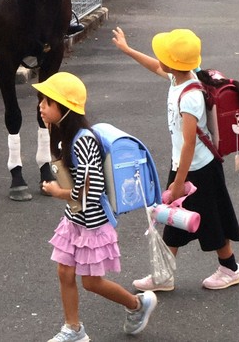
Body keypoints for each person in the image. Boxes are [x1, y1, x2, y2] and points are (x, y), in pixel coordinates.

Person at [111, 27, 239, 292]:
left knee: (208, 218)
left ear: (172, 64)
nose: (157, 59)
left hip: (198, 169)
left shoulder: (190, 96)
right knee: (178, 218)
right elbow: (154, 67)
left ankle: (228, 268)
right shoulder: (179, 79)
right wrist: (128, 50)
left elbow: (189, 143)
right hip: (189, 167)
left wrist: (179, 183)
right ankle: (167, 274)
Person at [34, 72, 157, 342]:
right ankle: (73, 329)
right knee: (64, 271)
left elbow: (90, 189)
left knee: (91, 282)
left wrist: (58, 192)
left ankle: (137, 304)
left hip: (92, 222)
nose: (41, 106)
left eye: (47, 101)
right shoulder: (63, 134)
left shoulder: (84, 140)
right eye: (42, 101)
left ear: (64, 108)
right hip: (75, 219)